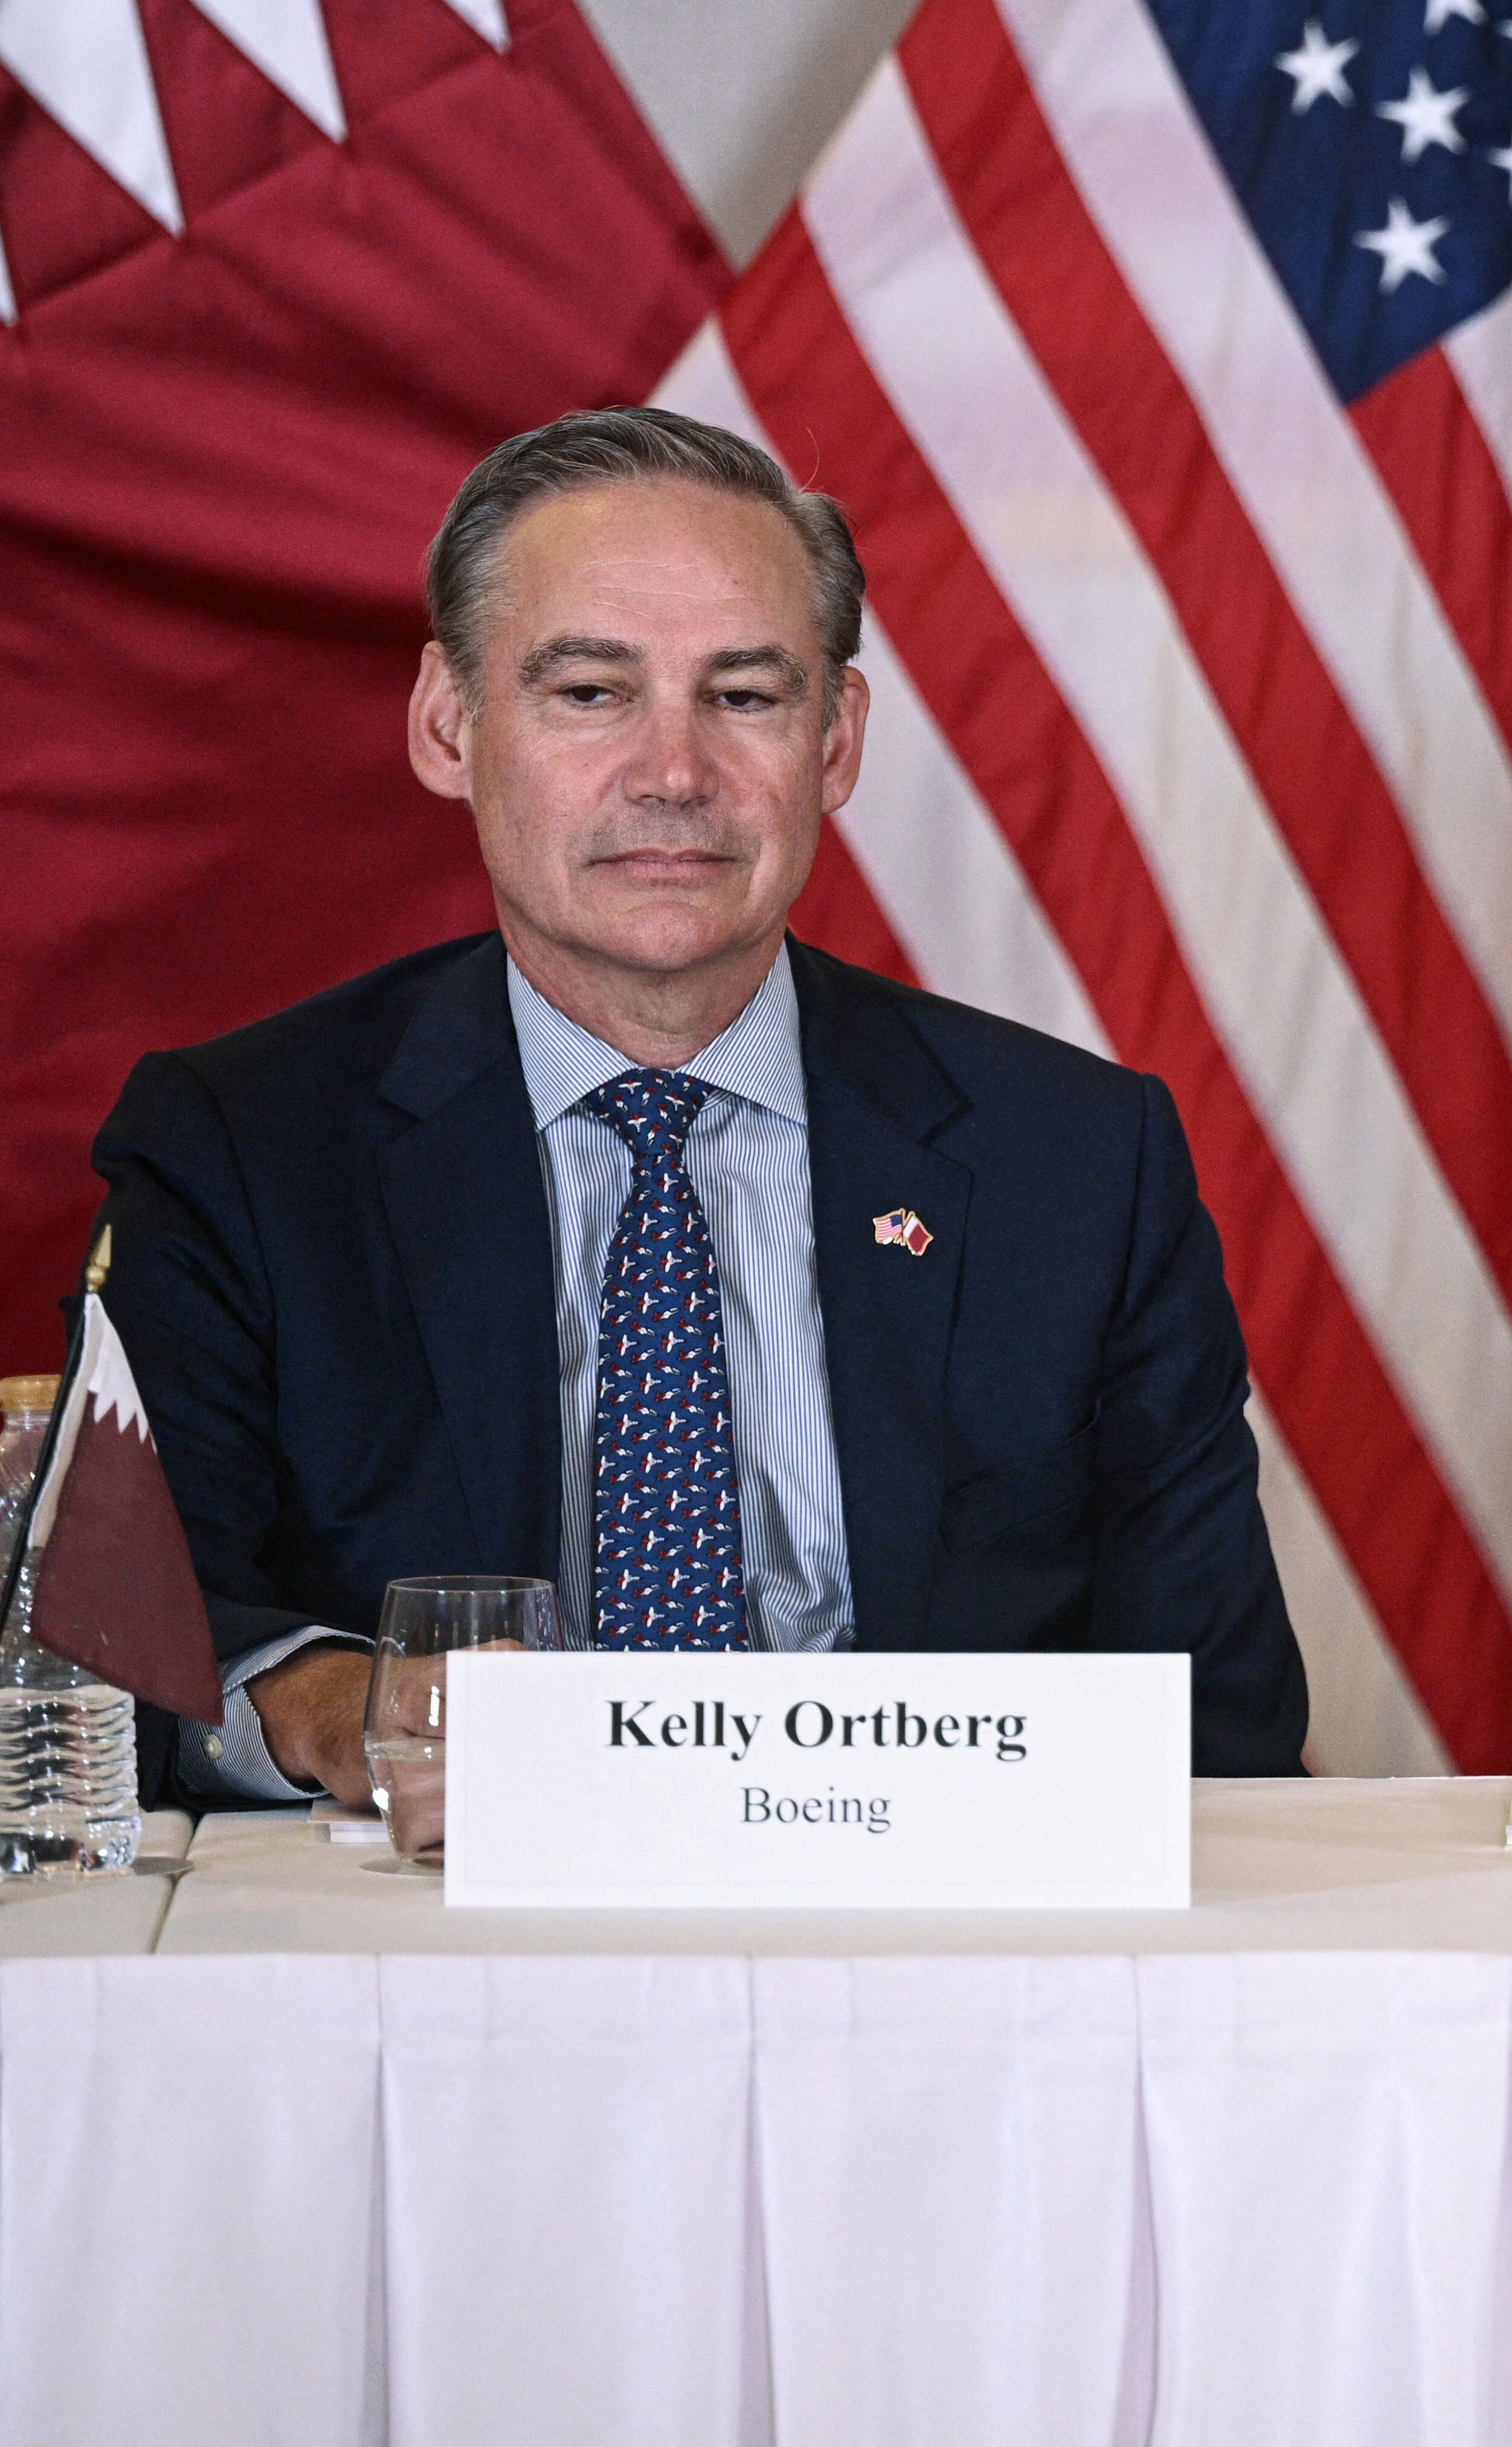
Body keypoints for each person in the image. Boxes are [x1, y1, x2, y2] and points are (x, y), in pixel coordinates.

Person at [90, 408, 1308, 1793]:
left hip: (941, 1959)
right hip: (429, 1955)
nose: (675, 776)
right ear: (448, 723)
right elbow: (117, 1653)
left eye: (743, 695)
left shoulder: (1079, 1163)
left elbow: (1221, 1725)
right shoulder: (242, 1150)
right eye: (591, 693)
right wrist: (326, 1705)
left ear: (836, 744)